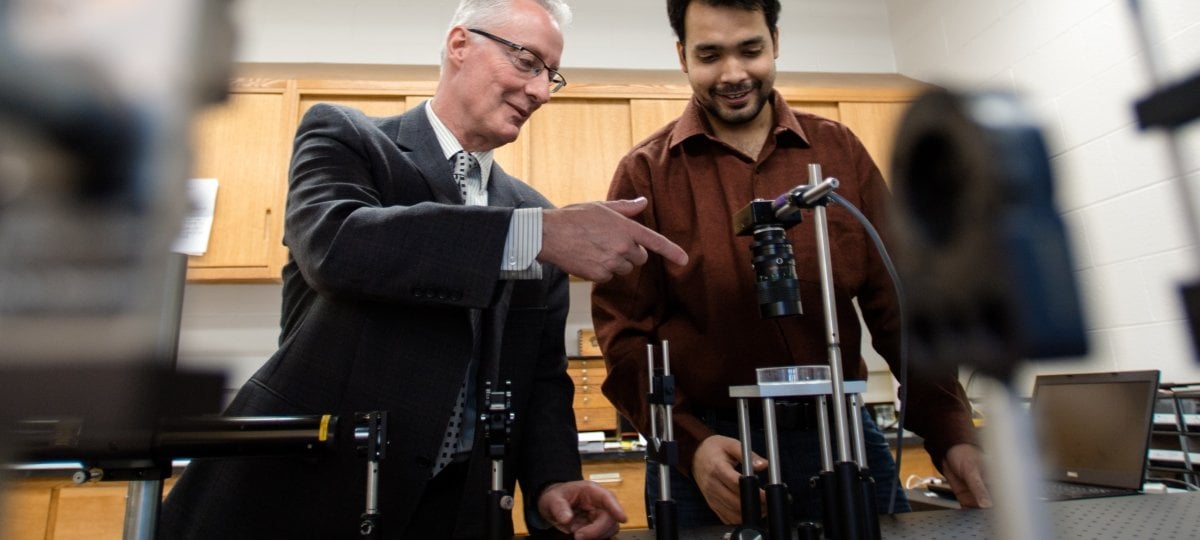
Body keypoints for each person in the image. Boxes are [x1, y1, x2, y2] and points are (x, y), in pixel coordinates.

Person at [160, 0, 688, 538]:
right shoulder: (347, 138)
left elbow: (541, 377)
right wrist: (531, 235)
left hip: (461, 505)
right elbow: (337, 246)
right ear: (460, 44)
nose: (540, 91)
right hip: (311, 492)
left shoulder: (536, 212)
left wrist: (554, 479)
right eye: (528, 62)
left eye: (552, 76)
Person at [591, 0, 992, 529]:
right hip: (715, 453)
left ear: (775, 42)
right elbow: (624, 337)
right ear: (682, 55)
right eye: (710, 54)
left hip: (843, 436)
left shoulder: (838, 151)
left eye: (750, 49)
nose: (733, 74)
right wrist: (690, 444)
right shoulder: (646, 173)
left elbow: (902, 308)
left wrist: (952, 433)